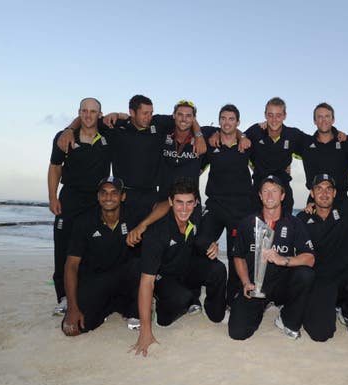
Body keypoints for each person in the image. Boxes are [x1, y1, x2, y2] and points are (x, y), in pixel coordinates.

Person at [57, 95, 206, 215]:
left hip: (151, 195)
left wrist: (199, 135)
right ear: (132, 113)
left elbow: (185, 118)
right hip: (124, 194)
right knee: (124, 242)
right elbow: (87, 119)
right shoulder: (116, 126)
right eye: (145, 113)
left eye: (151, 113)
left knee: (147, 239)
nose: (149, 117)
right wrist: (69, 129)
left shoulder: (158, 124)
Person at [131, 178, 227, 356]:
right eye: (179, 203)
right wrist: (145, 330)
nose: (184, 209)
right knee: (177, 304)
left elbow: (202, 239)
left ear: (196, 203)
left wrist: (212, 244)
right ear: (170, 202)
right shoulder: (157, 233)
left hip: (184, 268)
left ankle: (215, 313)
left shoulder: (196, 216)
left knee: (218, 269)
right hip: (163, 277)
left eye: (189, 203)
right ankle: (161, 309)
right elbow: (146, 282)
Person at [229, 175, 315, 340]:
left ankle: (286, 318)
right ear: (260, 196)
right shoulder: (247, 223)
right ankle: (260, 306)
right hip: (256, 286)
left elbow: (310, 258)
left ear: (282, 196)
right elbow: (238, 256)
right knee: (238, 333)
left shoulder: (294, 223)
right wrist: (246, 282)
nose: (270, 196)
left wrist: (284, 259)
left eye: (275, 191)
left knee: (306, 275)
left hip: (282, 286)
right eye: (265, 191)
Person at [48, 97, 112, 314]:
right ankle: (63, 297)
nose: (88, 115)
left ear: (99, 115)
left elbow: (125, 118)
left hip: (96, 200)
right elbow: (55, 167)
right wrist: (52, 197)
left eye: (93, 111)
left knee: (92, 248)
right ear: (79, 112)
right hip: (70, 198)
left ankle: (85, 292)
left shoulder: (108, 135)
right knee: (63, 248)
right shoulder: (65, 137)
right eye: (84, 111)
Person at [296, 174, 348, 341]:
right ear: (312, 193)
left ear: (335, 193)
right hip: (320, 281)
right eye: (319, 189)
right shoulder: (302, 218)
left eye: (328, 189)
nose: (324, 194)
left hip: (345, 278)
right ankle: (319, 306)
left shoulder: (347, 210)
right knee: (321, 334)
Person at [61, 177, 141, 336]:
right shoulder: (84, 221)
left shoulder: (134, 216)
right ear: (98, 196)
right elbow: (71, 265)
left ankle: (131, 309)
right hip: (96, 280)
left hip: (124, 280)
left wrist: (143, 226)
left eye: (114, 193)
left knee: (139, 264)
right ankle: (108, 306)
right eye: (103, 193)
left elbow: (164, 205)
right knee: (73, 329)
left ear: (122, 196)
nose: (108, 197)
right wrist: (72, 308)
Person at [195, 104, 256, 305]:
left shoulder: (246, 145)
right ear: (219, 120)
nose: (226, 122)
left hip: (240, 208)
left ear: (238, 122)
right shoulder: (211, 141)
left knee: (235, 254)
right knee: (200, 243)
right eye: (223, 118)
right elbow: (196, 130)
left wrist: (243, 135)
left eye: (231, 119)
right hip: (215, 205)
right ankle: (198, 294)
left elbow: (263, 167)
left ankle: (232, 300)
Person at [242, 97, 308, 214]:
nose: (274, 120)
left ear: (284, 116)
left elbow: (316, 146)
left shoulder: (293, 135)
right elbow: (237, 138)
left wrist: (335, 133)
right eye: (270, 115)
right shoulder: (255, 131)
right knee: (257, 230)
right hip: (258, 192)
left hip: (283, 192)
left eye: (278, 115)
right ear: (265, 115)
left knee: (284, 229)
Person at [293, 103, 348, 206]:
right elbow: (283, 144)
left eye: (327, 116)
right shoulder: (306, 143)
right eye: (320, 117)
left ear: (333, 119)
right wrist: (266, 125)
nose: (324, 120)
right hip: (315, 201)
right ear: (314, 121)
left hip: (342, 201)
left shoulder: (345, 142)